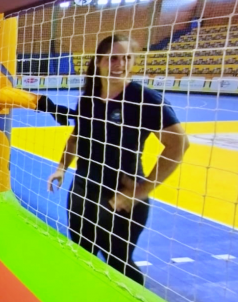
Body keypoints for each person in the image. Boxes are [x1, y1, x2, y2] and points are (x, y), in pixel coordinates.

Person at [43, 35, 189, 284]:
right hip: (83, 190)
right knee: (81, 254)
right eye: (113, 58)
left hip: (120, 196)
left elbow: (179, 145)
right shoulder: (89, 98)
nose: (121, 64)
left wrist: (140, 192)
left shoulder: (145, 99)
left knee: (118, 262)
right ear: (99, 62)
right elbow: (76, 137)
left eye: (127, 58)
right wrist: (61, 168)